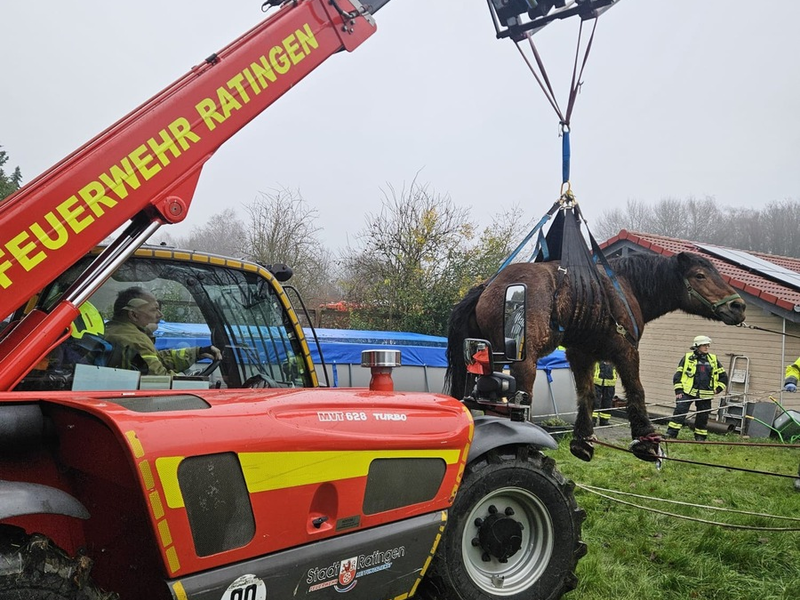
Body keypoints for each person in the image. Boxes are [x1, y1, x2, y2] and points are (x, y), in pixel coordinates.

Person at [104, 286, 221, 376]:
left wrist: (197, 352)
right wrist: (194, 382)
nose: (160, 314)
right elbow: (159, 379)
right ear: (134, 315)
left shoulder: (116, 330)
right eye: (154, 309)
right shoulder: (136, 341)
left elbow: (157, 360)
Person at [665, 335, 728, 441]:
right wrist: (678, 390)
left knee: (703, 416)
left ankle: (700, 437)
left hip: (705, 394)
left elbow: (724, 377)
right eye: (704, 345)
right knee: (680, 411)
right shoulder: (687, 358)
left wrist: (718, 389)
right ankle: (671, 434)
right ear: (697, 346)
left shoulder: (713, 359)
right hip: (687, 392)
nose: (707, 347)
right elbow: (678, 375)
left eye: (708, 345)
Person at [592, 360, 617, 426]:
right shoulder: (598, 356)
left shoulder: (614, 357)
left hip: (610, 383)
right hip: (597, 382)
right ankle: (592, 420)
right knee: (595, 402)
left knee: (607, 402)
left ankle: (604, 421)